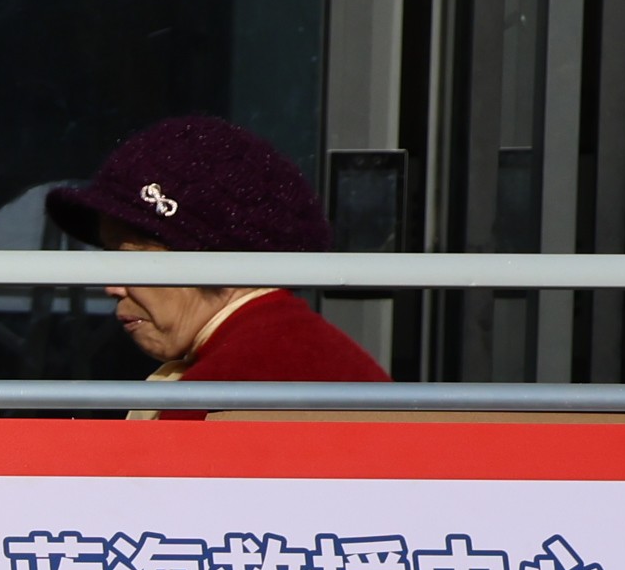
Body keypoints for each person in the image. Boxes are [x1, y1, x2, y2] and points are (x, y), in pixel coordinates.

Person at [45, 117, 386, 414]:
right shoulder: (294, 350)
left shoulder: (228, 387)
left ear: (211, 254)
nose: (112, 288)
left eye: (130, 258)